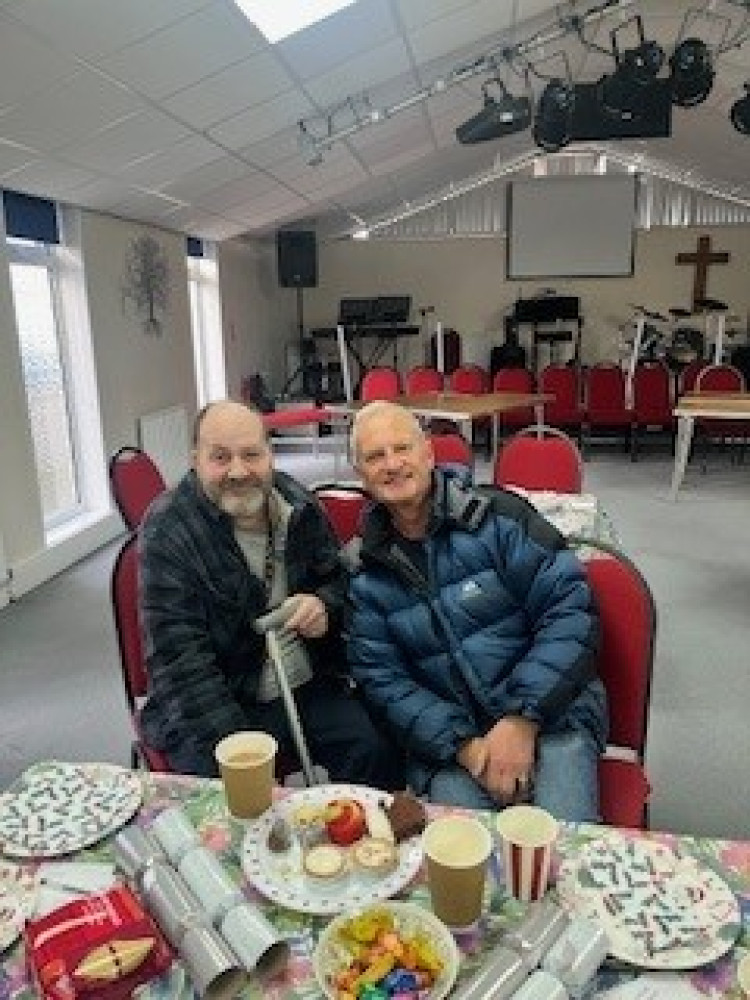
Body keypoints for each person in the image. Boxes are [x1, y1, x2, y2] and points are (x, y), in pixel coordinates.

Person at [346, 401, 607, 821]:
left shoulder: (500, 517)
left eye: (403, 448)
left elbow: (571, 612)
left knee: (553, 859)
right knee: (466, 868)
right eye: (375, 456)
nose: (392, 464)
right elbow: (382, 681)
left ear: (429, 454)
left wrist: (521, 720)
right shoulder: (363, 572)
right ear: (361, 475)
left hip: (554, 718)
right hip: (452, 750)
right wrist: (465, 745)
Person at [139, 399, 402, 788]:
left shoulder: (296, 503)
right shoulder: (169, 530)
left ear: (270, 454)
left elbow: (340, 582)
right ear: (195, 459)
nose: (239, 471)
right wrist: (239, 752)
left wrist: (323, 606)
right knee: (233, 807)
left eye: (251, 455)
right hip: (217, 695)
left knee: (376, 749)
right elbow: (180, 663)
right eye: (220, 457)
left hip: (303, 683)